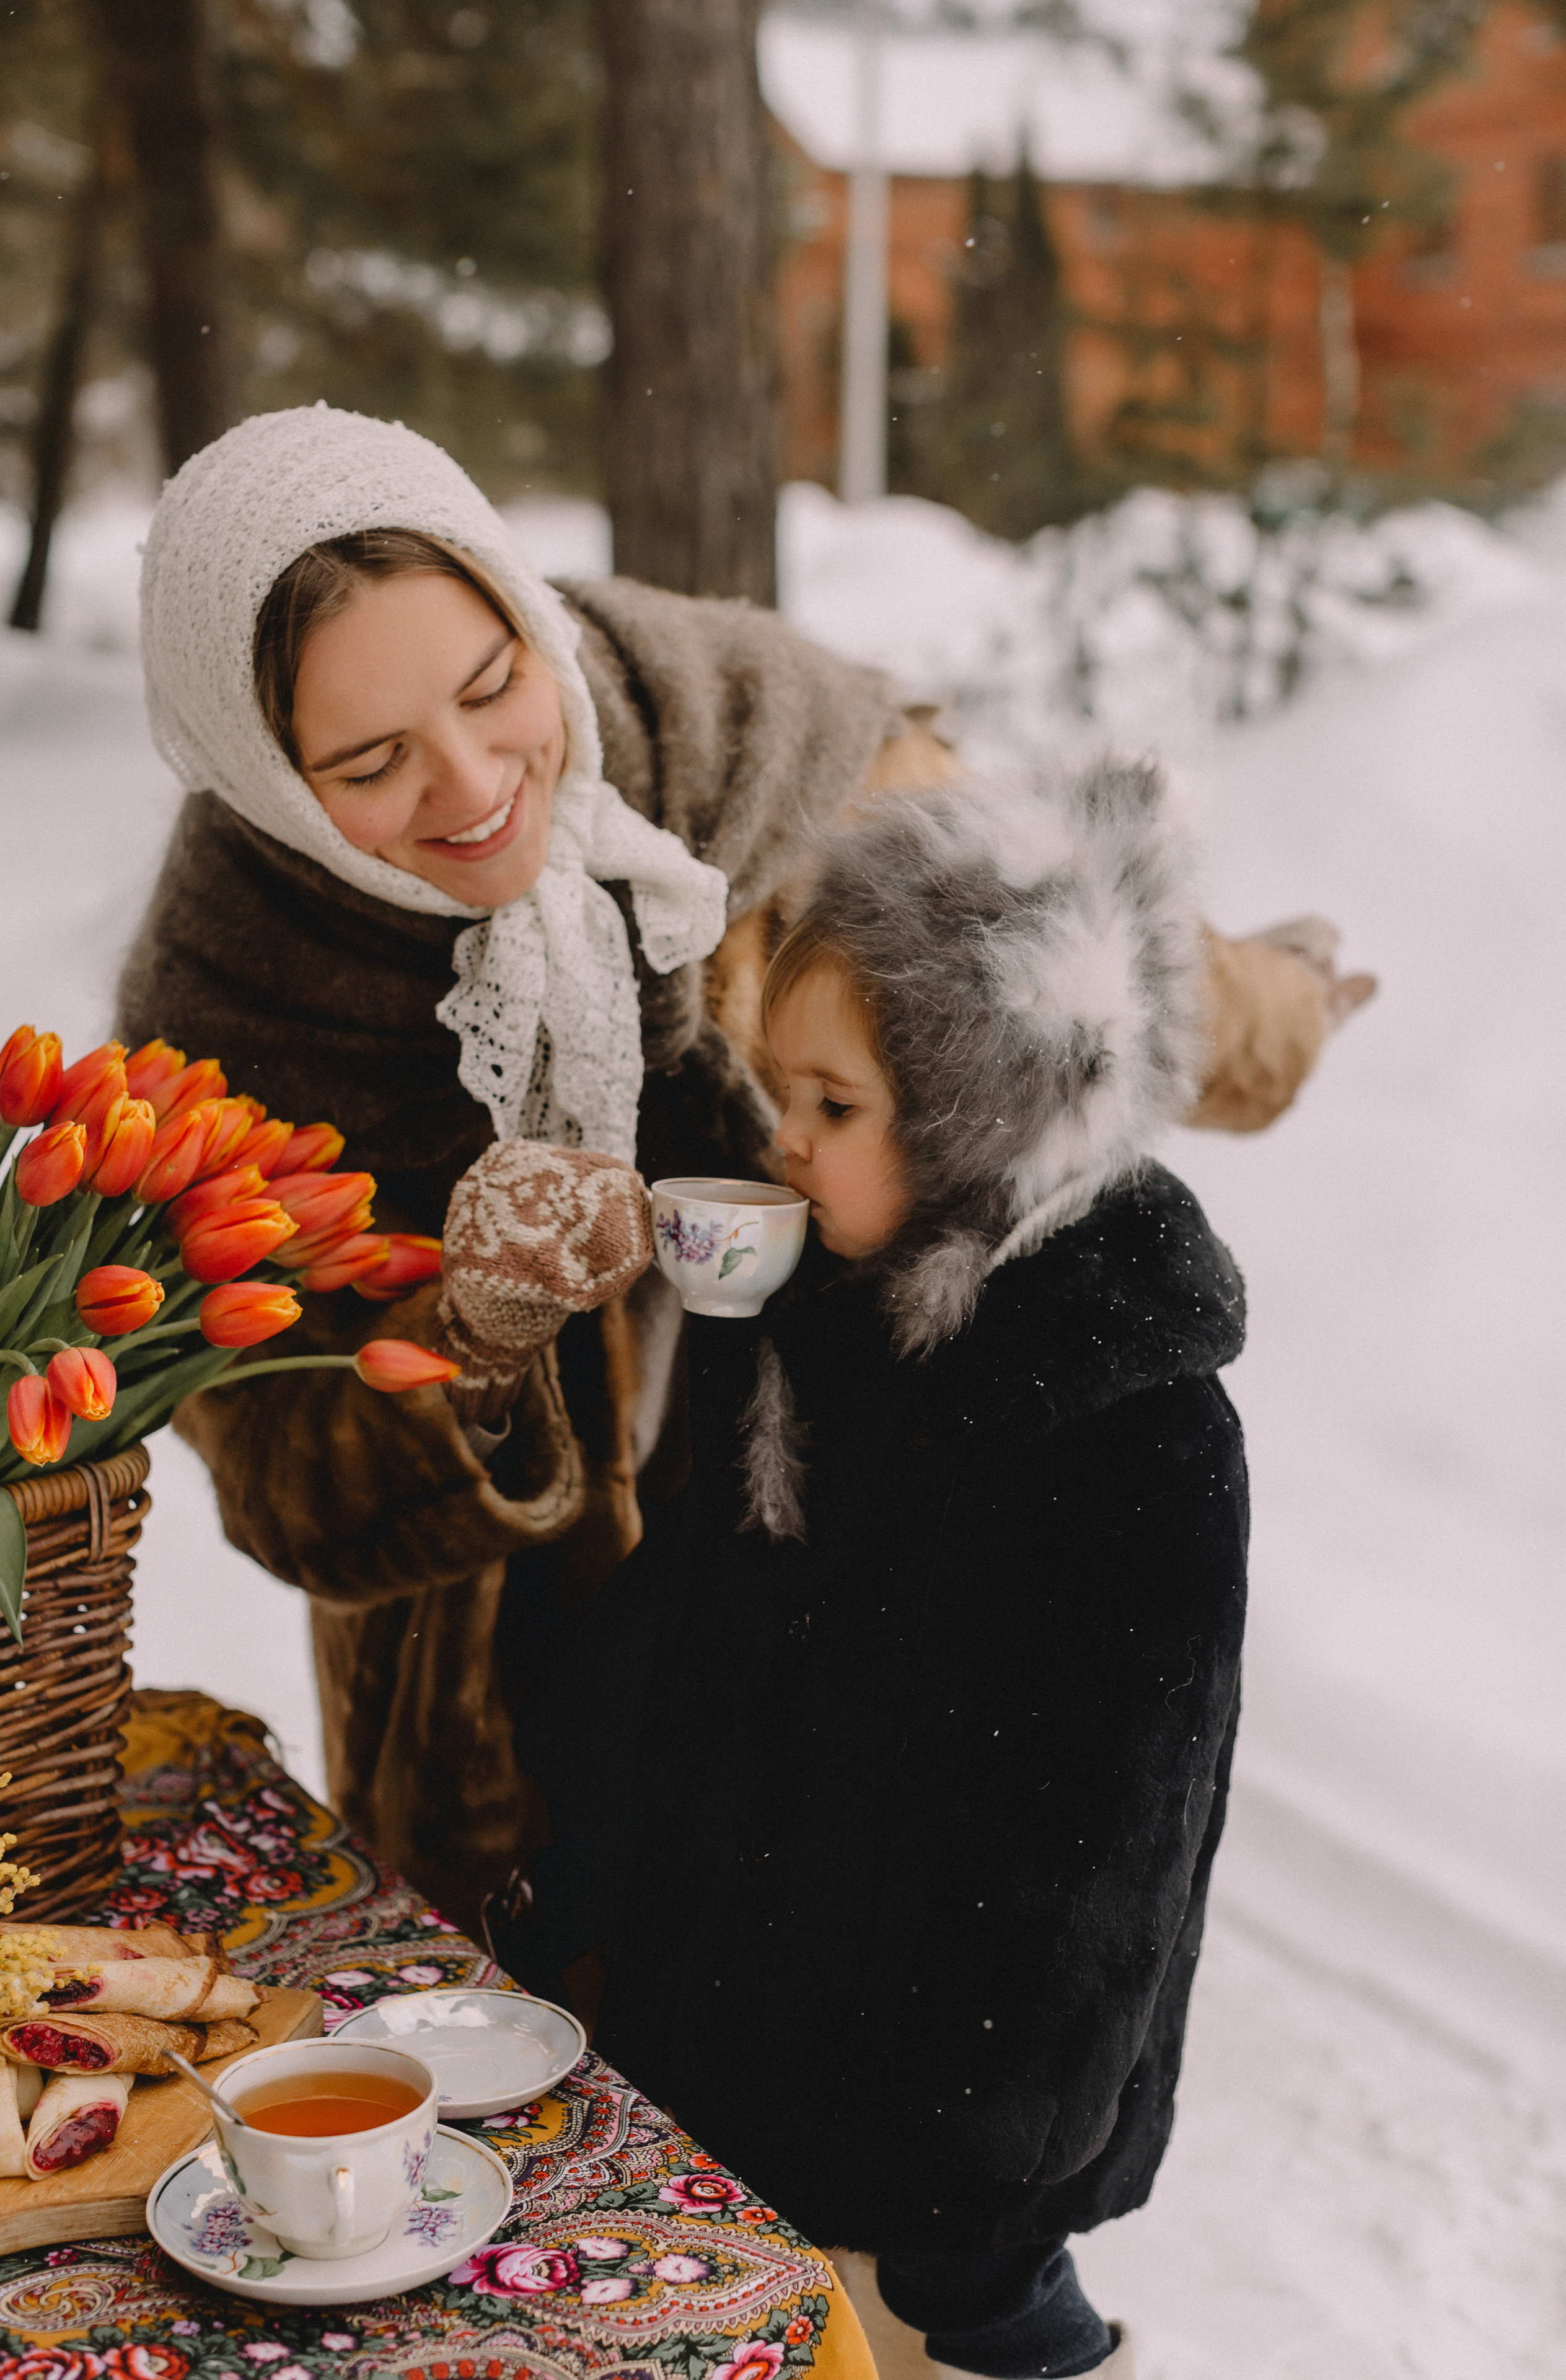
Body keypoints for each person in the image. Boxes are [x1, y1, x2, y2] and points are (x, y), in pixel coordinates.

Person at [116, 402, 1348, 1942]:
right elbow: (283, 1470)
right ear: (272, 780)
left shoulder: (744, 737)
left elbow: (1079, 960)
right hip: (480, 1696)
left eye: (495, 684)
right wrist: (471, 1347)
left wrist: (1288, 1006)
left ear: (524, 609)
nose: (470, 783)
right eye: (369, 764)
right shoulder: (233, 999)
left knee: (778, 2009)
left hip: (805, 1572)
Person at [503, 763, 1249, 2380]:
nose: (783, 1137)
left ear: (989, 1117)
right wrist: (569, 1834)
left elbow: (1113, 1827)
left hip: (952, 2117)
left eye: (833, 1108)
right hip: (752, 2032)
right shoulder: (818, 1323)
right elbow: (707, 1624)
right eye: (783, 1090)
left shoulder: (1131, 1425)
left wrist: (998, 2138)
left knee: (966, 2327)